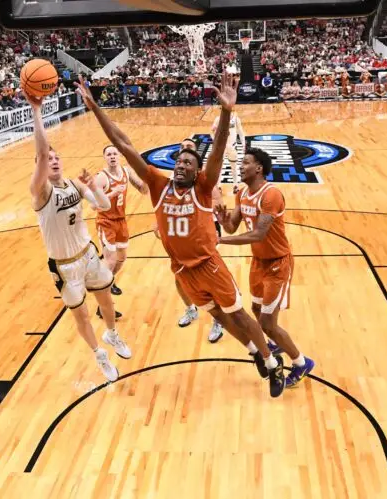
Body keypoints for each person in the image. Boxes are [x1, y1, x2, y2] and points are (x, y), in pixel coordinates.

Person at [77, 72, 286, 397]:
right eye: (179, 161)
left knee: (241, 316)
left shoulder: (203, 188)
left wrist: (227, 112)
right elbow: (123, 143)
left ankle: (272, 364)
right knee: (218, 315)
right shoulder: (158, 185)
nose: (181, 165)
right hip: (182, 270)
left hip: (209, 265)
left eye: (189, 162)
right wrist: (94, 108)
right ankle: (253, 351)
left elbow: (216, 153)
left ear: (197, 169)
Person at [26, 91, 132, 382]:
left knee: (106, 300)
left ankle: (112, 335)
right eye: (48, 158)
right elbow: (42, 148)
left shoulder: (73, 184)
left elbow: (104, 205)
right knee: (82, 315)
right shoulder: (41, 192)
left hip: (88, 254)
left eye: (57, 157)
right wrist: (37, 111)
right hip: (64, 266)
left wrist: (93, 187)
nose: (54, 160)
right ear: (40, 165)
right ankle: (99, 354)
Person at [215, 148, 315, 387]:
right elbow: (231, 227)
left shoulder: (271, 195)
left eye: (246, 163)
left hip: (278, 264)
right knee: (256, 311)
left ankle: (302, 363)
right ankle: (275, 341)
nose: (240, 167)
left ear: (259, 168)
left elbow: (259, 234)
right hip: (258, 262)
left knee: (268, 324)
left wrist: (219, 241)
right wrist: (221, 219)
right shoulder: (242, 194)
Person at [159, 138, 225, 343]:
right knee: (180, 278)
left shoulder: (204, 177)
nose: (185, 151)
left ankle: (218, 319)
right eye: (182, 149)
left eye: (190, 149)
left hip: (202, 230)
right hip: (179, 233)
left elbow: (218, 200)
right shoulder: (172, 178)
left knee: (209, 280)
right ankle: (190, 309)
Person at [94, 144, 149, 319]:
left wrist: (148, 178)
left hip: (121, 221)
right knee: (109, 261)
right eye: (108, 154)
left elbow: (143, 189)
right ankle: (102, 306)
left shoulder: (126, 172)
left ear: (119, 156)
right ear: (105, 158)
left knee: (121, 258)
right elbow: (93, 205)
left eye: (114, 153)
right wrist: (111, 194)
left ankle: (108, 281)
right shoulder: (101, 178)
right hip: (105, 222)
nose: (112, 156)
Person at [211, 110, 245, 194]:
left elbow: (241, 132)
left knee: (234, 166)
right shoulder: (218, 119)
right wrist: (215, 141)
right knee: (219, 167)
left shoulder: (236, 119)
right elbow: (211, 132)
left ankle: (236, 185)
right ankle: (218, 186)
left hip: (232, 146)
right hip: (221, 147)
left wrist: (244, 144)